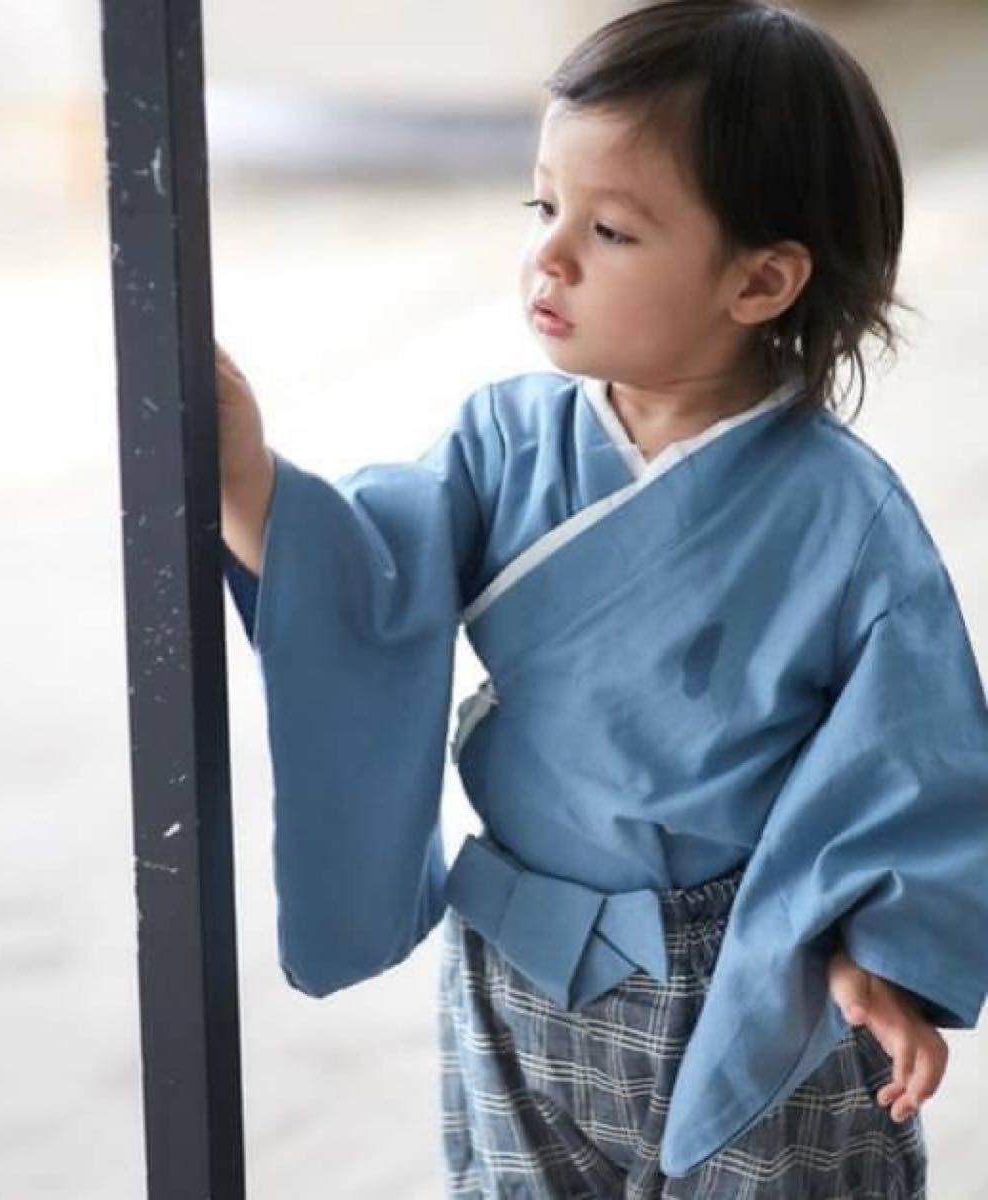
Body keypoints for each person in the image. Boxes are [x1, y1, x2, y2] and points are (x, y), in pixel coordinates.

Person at [216, 2, 988, 1194]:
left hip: (749, 961)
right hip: (517, 944)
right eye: (544, 207)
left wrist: (876, 948)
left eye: (612, 229)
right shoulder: (501, 440)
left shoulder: (842, 512)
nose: (550, 254)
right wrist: (246, 479)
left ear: (763, 279)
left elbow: (912, 746)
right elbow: (369, 590)